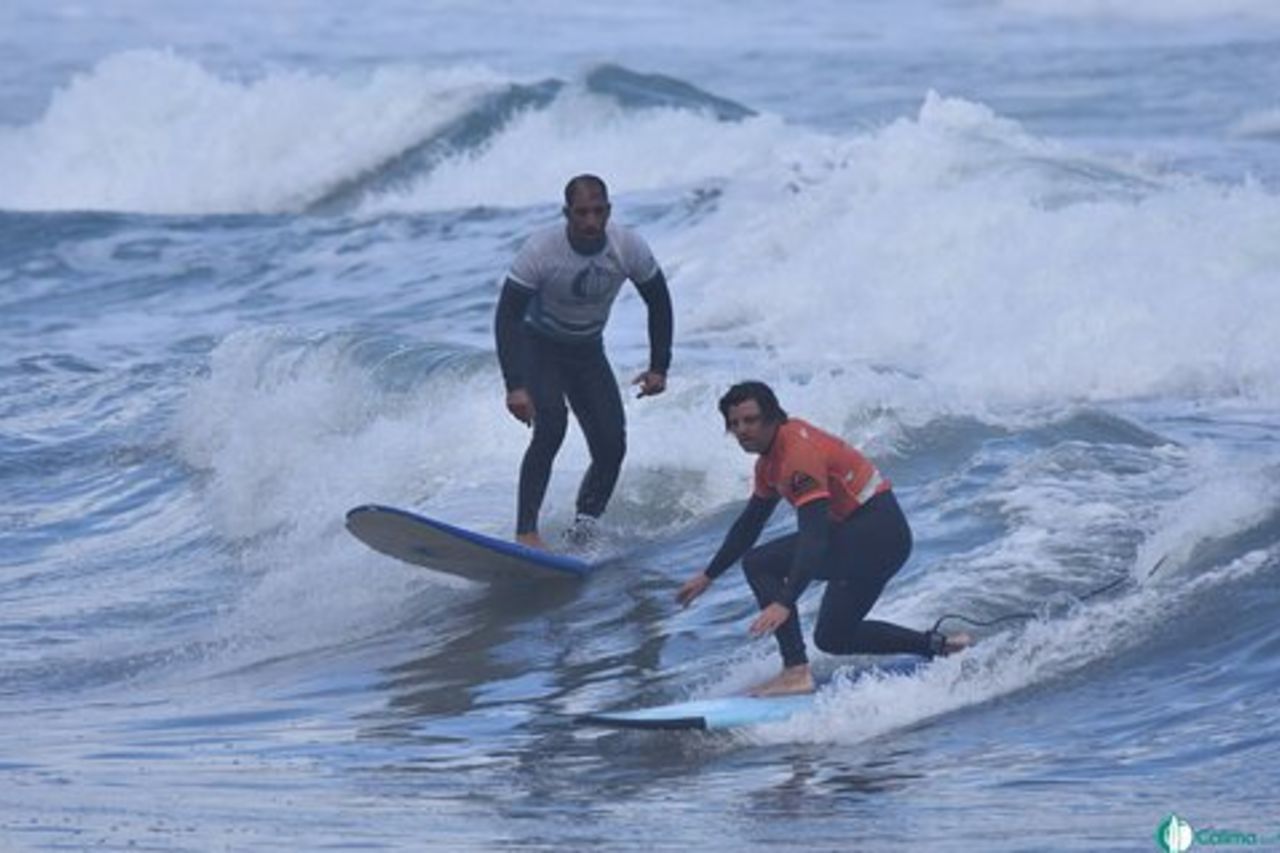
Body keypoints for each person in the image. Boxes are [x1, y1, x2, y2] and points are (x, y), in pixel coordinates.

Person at [676, 381, 970, 696]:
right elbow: (750, 522)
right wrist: (709, 575)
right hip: (874, 536)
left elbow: (814, 537)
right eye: (734, 424)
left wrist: (784, 602)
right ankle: (940, 646)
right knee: (833, 636)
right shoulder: (769, 462)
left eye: (750, 420)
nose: (742, 430)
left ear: (774, 417)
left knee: (760, 563)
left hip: (875, 533)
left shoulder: (797, 456)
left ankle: (795, 672)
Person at [494, 174, 673, 550]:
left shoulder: (627, 246)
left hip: (587, 351)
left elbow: (658, 301)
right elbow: (507, 316)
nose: (591, 222)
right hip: (539, 347)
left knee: (611, 445)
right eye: (581, 213)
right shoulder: (542, 250)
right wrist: (515, 385)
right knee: (552, 427)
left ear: (608, 210)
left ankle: (582, 533)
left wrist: (659, 367)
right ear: (567, 213)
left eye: (598, 211)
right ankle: (526, 532)